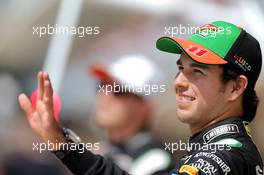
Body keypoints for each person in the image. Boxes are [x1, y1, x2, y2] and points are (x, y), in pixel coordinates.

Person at [18, 20, 263, 175]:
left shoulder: (221, 157)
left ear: (235, 87)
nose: (178, 82)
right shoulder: (223, 151)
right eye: (180, 69)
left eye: (197, 72)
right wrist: (60, 142)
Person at [89, 54, 174, 174]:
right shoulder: (98, 152)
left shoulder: (156, 162)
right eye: (102, 86)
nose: (104, 96)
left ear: (144, 106)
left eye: (118, 90)